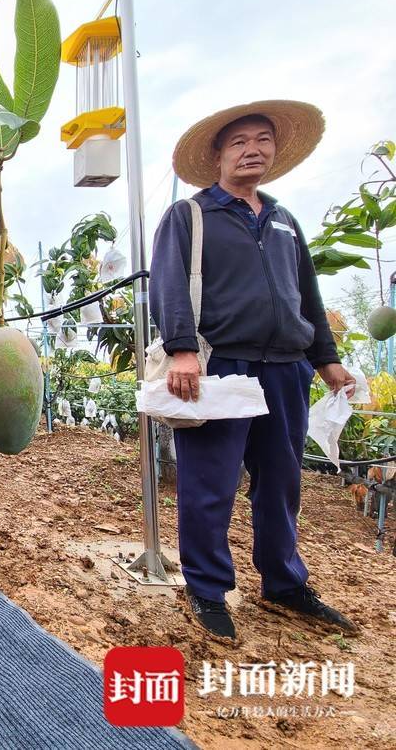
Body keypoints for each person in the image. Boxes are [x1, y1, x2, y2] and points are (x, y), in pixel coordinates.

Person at [150, 100, 358, 641]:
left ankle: (285, 583)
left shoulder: (284, 221)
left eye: (262, 139)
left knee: (281, 482)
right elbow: (169, 283)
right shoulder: (190, 216)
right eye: (239, 141)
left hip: (286, 369)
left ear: (274, 151)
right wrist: (181, 349)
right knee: (210, 483)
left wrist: (327, 359)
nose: (252, 149)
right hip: (221, 367)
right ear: (218, 155)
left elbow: (306, 295)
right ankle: (208, 588)